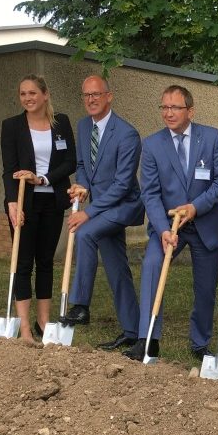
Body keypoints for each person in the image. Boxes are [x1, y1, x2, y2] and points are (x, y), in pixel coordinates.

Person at [124, 85, 218, 360]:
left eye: (175, 107)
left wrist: (196, 208)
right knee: (151, 266)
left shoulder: (211, 137)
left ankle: (199, 343)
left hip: (204, 223)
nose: (168, 113)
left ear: (190, 110)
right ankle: (147, 338)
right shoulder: (152, 145)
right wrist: (162, 229)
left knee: (206, 288)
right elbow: (149, 192)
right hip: (169, 227)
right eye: (164, 107)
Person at [61, 76, 145, 347]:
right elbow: (83, 163)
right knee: (116, 267)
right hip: (102, 206)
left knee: (85, 234)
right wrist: (82, 185)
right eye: (86, 95)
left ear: (109, 96)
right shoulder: (84, 126)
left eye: (96, 94)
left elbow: (122, 185)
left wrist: (89, 212)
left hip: (124, 205)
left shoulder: (127, 133)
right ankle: (133, 331)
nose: (91, 100)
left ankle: (80, 305)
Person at [0, 75, 77, 341]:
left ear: (45, 94)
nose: (27, 98)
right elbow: (8, 169)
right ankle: (23, 327)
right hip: (24, 201)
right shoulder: (11, 126)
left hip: (52, 200)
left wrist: (43, 178)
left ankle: (43, 322)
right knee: (23, 262)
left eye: (32, 93)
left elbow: (70, 162)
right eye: (23, 94)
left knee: (45, 261)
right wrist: (12, 203)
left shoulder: (61, 123)